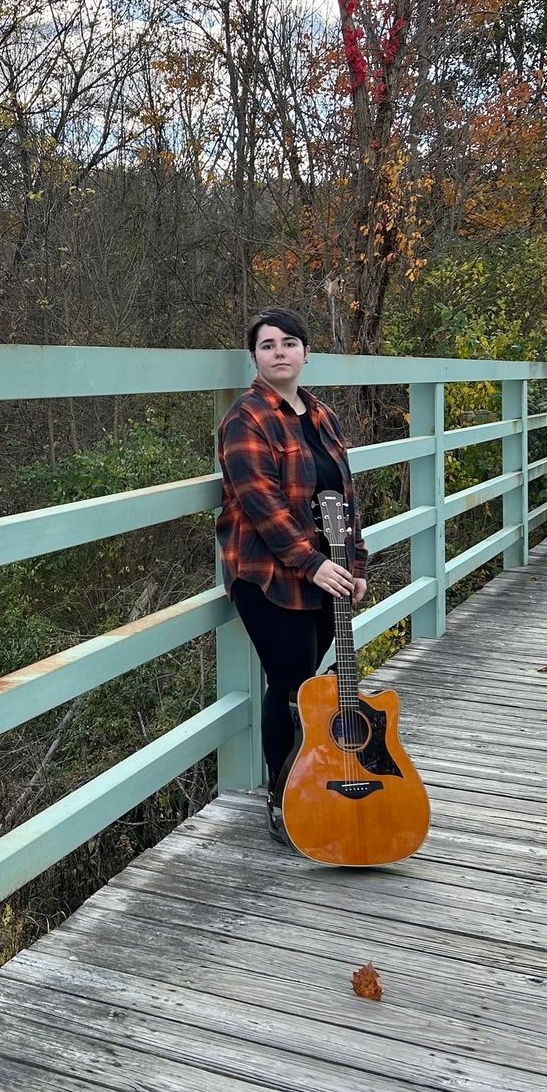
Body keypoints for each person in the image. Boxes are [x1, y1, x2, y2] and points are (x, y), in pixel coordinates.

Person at [216, 308, 368, 842]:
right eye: (266, 345)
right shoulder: (245, 418)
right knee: (293, 683)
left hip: (326, 574)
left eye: (288, 343)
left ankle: (315, 782)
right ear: (254, 357)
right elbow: (264, 507)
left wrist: (355, 563)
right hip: (267, 575)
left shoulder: (323, 416)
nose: (278, 352)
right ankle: (282, 801)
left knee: (308, 681)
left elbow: (346, 496)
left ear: (306, 354)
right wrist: (316, 564)